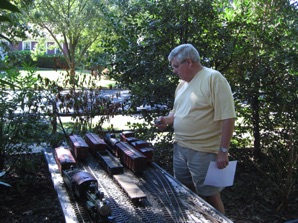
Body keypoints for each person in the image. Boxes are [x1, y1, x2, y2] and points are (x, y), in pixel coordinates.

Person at [155, 44, 236, 214]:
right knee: (184, 193)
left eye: (176, 66)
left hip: (204, 152)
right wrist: (166, 120)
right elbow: (177, 112)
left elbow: (228, 117)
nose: (174, 71)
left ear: (189, 62)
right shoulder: (182, 85)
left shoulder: (213, 78)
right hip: (180, 149)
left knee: (210, 196)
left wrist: (223, 151)